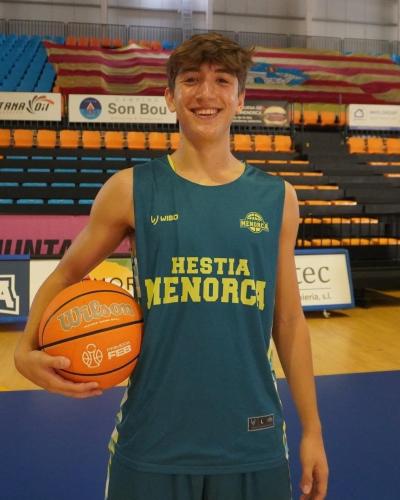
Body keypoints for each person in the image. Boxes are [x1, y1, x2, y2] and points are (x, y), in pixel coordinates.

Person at [14, 33, 328, 500]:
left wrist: (312, 430)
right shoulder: (130, 189)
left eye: (222, 81)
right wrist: (24, 350)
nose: (206, 94)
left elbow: (288, 321)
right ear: (169, 96)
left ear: (241, 98)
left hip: (254, 437)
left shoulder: (277, 198)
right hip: (151, 438)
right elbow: (65, 274)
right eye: (191, 80)